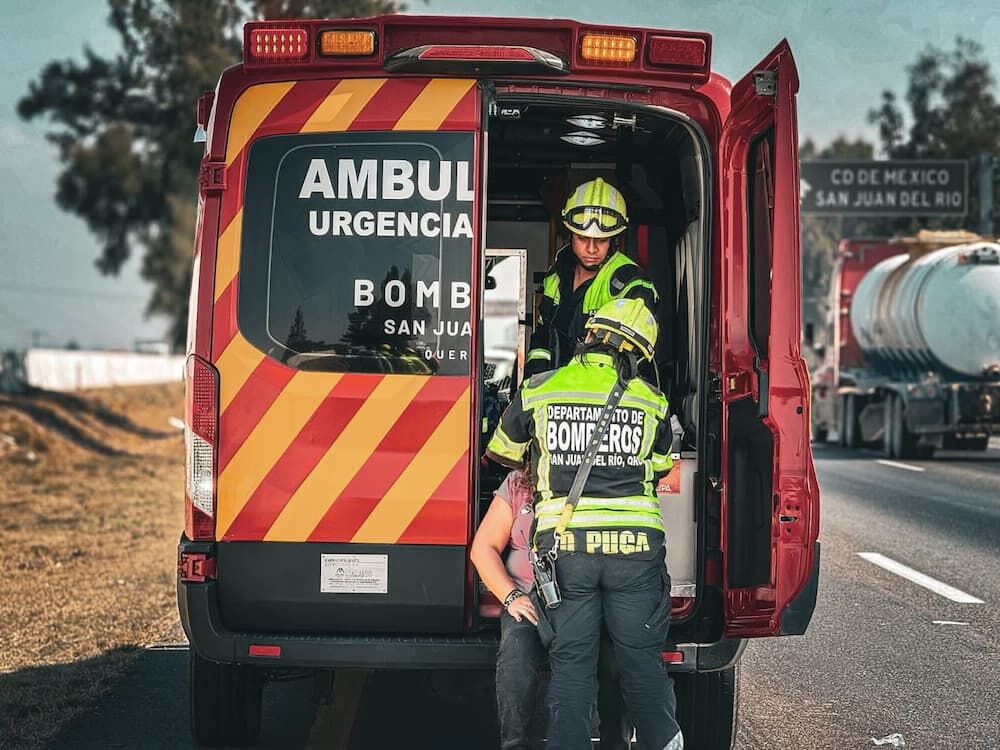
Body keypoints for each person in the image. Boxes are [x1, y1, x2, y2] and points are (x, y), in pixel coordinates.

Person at [486, 298, 682, 750]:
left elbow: (505, 453)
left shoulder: (539, 389)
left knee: (572, 665)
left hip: (568, 553)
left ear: (590, 335)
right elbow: (659, 466)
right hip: (635, 554)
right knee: (641, 664)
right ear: (638, 354)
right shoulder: (652, 402)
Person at [470, 464, 632, 750]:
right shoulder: (518, 485)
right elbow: (483, 548)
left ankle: (616, 744)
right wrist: (511, 596)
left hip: (587, 598)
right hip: (529, 599)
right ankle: (514, 744)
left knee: (614, 659)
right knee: (517, 654)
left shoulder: (602, 480)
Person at [525, 177, 657, 377]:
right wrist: (534, 378)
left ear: (614, 239)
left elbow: (631, 358)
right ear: (570, 234)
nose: (591, 249)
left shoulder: (632, 284)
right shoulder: (555, 277)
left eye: (601, 240)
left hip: (610, 393)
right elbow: (543, 338)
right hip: (556, 390)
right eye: (583, 238)